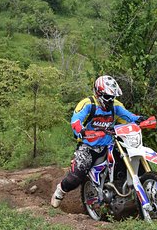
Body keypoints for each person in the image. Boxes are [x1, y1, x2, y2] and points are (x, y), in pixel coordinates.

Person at [51, 75, 145, 208]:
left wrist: (140, 119)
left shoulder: (115, 106)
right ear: (98, 93)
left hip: (109, 145)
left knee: (131, 158)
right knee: (76, 176)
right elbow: (76, 120)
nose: (110, 100)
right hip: (88, 147)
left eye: (113, 97)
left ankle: (141, 190)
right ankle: (60, 191)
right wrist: (81, 130)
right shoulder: (88, 104)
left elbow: (127, 116)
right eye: (107, 97)